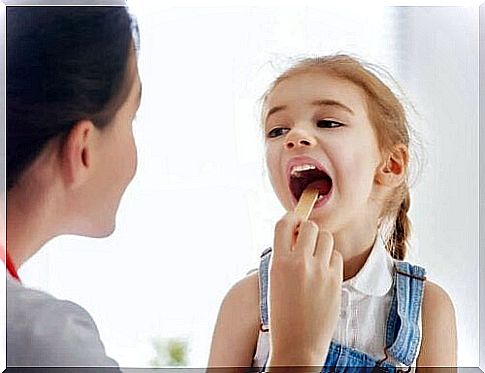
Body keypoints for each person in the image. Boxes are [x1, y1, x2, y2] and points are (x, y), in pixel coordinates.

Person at [5, 6, 338, 369]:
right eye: (131, 118)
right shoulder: (43, 343)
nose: (297, 138)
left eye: (329, 122)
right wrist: (298, 354)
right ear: (84, 148)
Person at [208, 55, 458, 371]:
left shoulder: (428, 310)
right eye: (277, 130)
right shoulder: (247, 301)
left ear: (389, 165)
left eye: (328, 123)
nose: (294, 137)